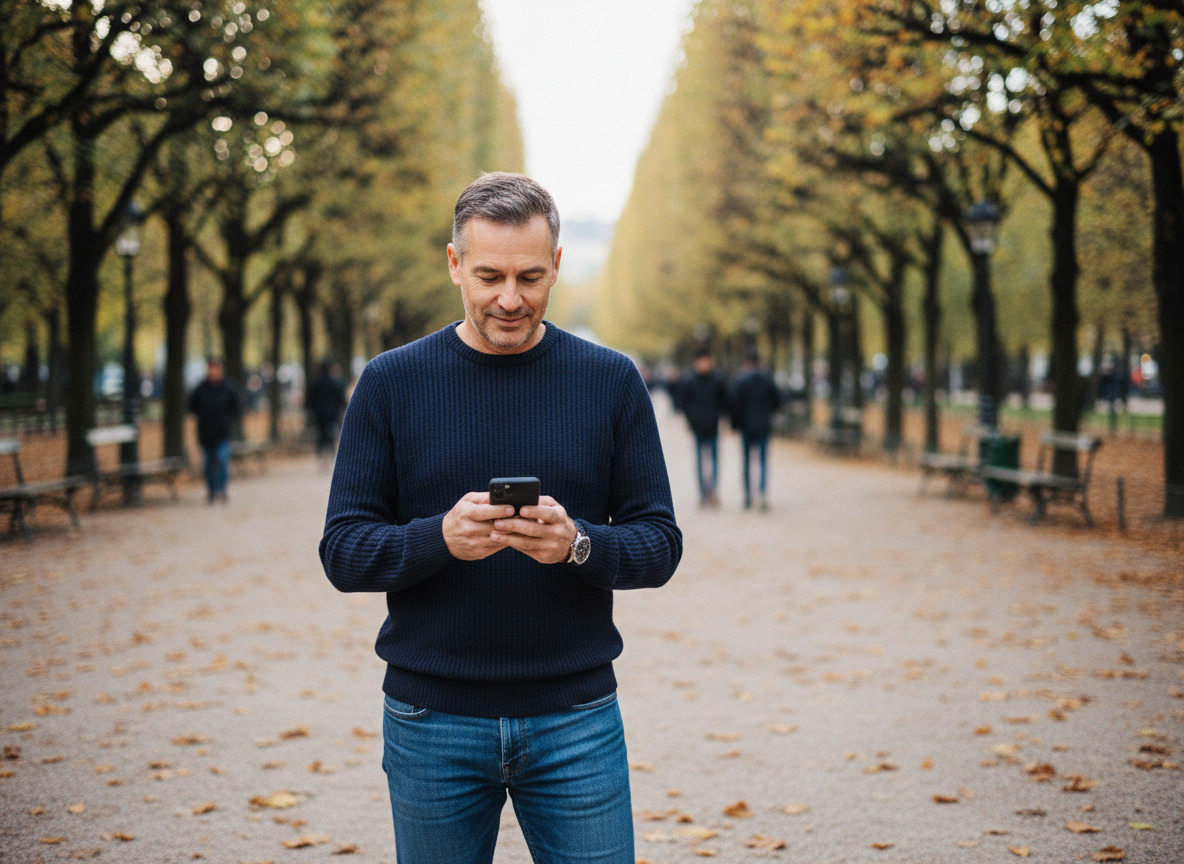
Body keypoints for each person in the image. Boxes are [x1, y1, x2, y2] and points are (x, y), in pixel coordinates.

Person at [319, 172, 682, 864]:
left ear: (557, 266)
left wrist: (577, 545)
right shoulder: (391, 382)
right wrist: (440, 538)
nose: (510, 299)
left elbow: (659, 544)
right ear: (454, 264)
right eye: (489, 276)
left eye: (529, 277)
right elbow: (343, 551)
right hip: (431, 718)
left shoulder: (611, 381)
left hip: (576, 718)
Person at [729, 349, 782, 511]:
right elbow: (777, 400)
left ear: (745, 362)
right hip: (763, 425)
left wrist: (735, 424)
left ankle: (747, 496)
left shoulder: (740, 380)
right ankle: (763, 493)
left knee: (746, 462)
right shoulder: (767, 379)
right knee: (763, 461)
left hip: (746, 426)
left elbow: (734, 404)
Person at [674, 347, 728, 507]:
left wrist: (724, 421)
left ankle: (713, 490)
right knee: (700, 461)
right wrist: (689, 420)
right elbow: (682, 403)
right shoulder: (689, 380)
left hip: (713, 425)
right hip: (697, 426)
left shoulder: (718, 379)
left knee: (714, 460)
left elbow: (724, 402)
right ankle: (703, 493)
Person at [187, 356, 240, 503]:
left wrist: (227, 419)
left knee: (222, 461)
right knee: (208, 464)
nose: (213, 371)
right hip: (205, 433)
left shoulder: (228, 388)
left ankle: (222, 489)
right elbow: (192, 405)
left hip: (223, 433)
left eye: (216, 368)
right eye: (211, 368)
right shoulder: (200, 388)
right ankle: (211, 491)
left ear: (221, 370)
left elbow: (235, 408)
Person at [306, 360, 347, 467]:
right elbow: (340, 398)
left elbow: (310, 399)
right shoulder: (334, 383)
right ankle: (329, 454)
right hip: (332, 414)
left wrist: (311, 410)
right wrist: (340, 409)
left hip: (318, 414)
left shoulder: (315, 383)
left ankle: (321, 454)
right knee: (331, 434)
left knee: (320, 435)